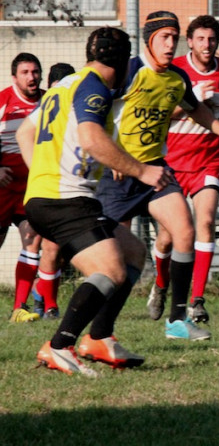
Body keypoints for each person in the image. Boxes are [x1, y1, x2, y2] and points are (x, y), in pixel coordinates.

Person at [17, 27, 172, 375]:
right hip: (64, 200)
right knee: (110, 269)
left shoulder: (64, 85)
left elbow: (25, 132)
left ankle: (99, 338)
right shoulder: (95, 87)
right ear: (121, 65)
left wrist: (42, 172)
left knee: (132, 252)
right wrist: (140, 170)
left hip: (54, 196)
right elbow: (90, 137)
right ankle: (59, 346)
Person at [96, 11, 219, 341]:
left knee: (185, 229)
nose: (170, 44)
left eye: (173, 38)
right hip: (119, 175)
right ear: (149, 39)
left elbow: (198, 110)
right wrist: (113, 155)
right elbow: (96, 112)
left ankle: (178, 319)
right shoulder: (128, 71)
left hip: (157, 170)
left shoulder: (177, 78)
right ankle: (96, 328)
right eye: (164, 37)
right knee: (111, 261)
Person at [152, 15, 219, 324]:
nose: (207, 45)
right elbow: (159, 116)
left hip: (208, 160)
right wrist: (193, 101)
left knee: (205, 221)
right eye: (200, 39)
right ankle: (161, 285)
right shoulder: (173, 71)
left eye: (212, 39)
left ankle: (197, 300)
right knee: (168, 236)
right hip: (172, 163)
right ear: (189, 42)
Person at [0, 53, 44, 322]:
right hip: (4, 185)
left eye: (35, 71)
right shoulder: (3, 100)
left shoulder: (49, 101)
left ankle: (19, 308)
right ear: (14, 77)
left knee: (33, 240)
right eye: (26, 72)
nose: (32, 77)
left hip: (33, 185)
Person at [31, 62, 76, 318]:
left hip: (64, 183)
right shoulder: (47, 109)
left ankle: (43, 293)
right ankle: (49, 304)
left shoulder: (63, 106)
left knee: (58, 249)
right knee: (50, 246)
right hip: (49, 184)